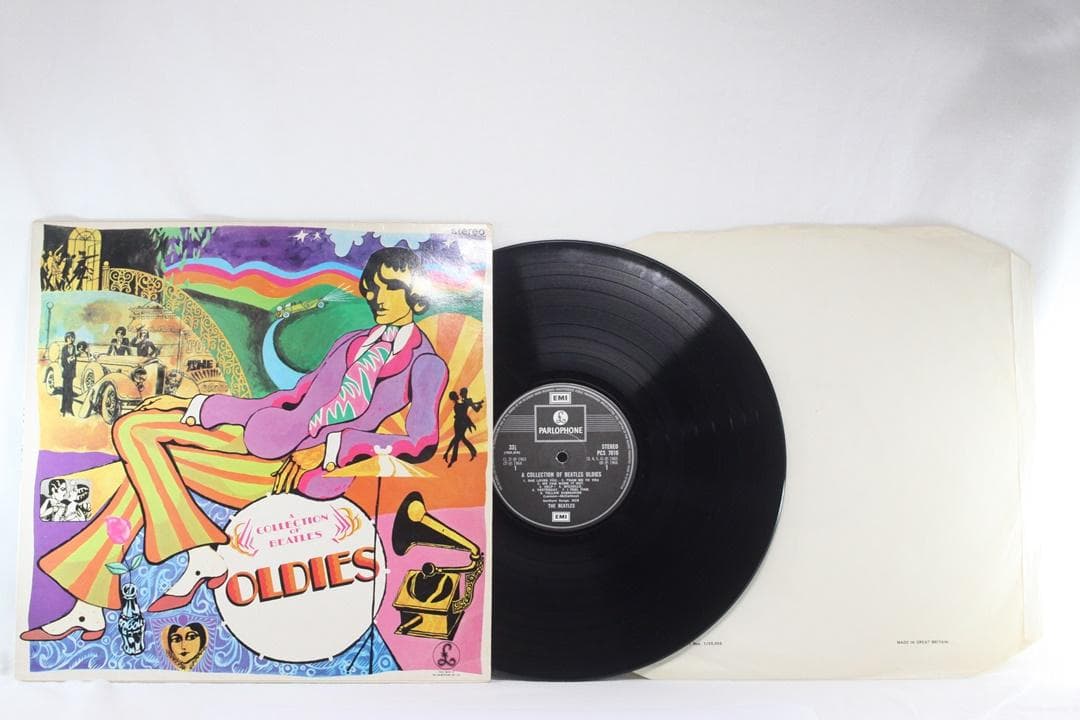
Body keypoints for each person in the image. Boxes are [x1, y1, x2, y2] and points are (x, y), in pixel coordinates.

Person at [23, 247, 449, 643]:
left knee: (136, 466)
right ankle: (198, 554)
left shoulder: (425, 363)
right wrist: (193, 405)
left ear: (418, 296)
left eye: (391, 287)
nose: (377, 296)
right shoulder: (353, 342)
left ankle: (92, 605)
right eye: (373, 286)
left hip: (301, 469)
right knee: (135, 426)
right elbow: (291, 398)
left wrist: (334, 449)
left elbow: (420, 442)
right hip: (267, 434)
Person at [443, 386, 483, 467]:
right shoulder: (462, 402)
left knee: (457, 439)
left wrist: (479, 404)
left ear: (464, 393)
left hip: (462, 423)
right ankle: (472, 452)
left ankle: (450, 456)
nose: (459, 394)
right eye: (459, 394)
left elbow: (474, 408)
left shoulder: (464, 401)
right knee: (460, 438)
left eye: (461, 393)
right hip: (459, 423)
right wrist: (478, 404)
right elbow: (467, 409)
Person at [59, 331, 77, 416]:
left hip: (71, 374)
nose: (70, 339)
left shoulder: (75, 348)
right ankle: (63, 409)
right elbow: (62, 362)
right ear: (66, 339)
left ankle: (70, 409)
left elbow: (77, 359)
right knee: (65, 391)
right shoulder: (64, 348)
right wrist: (68, 360)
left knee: (70, 392)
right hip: (66, 373)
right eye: (68, 337)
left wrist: (74, 359)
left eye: (72, 337)